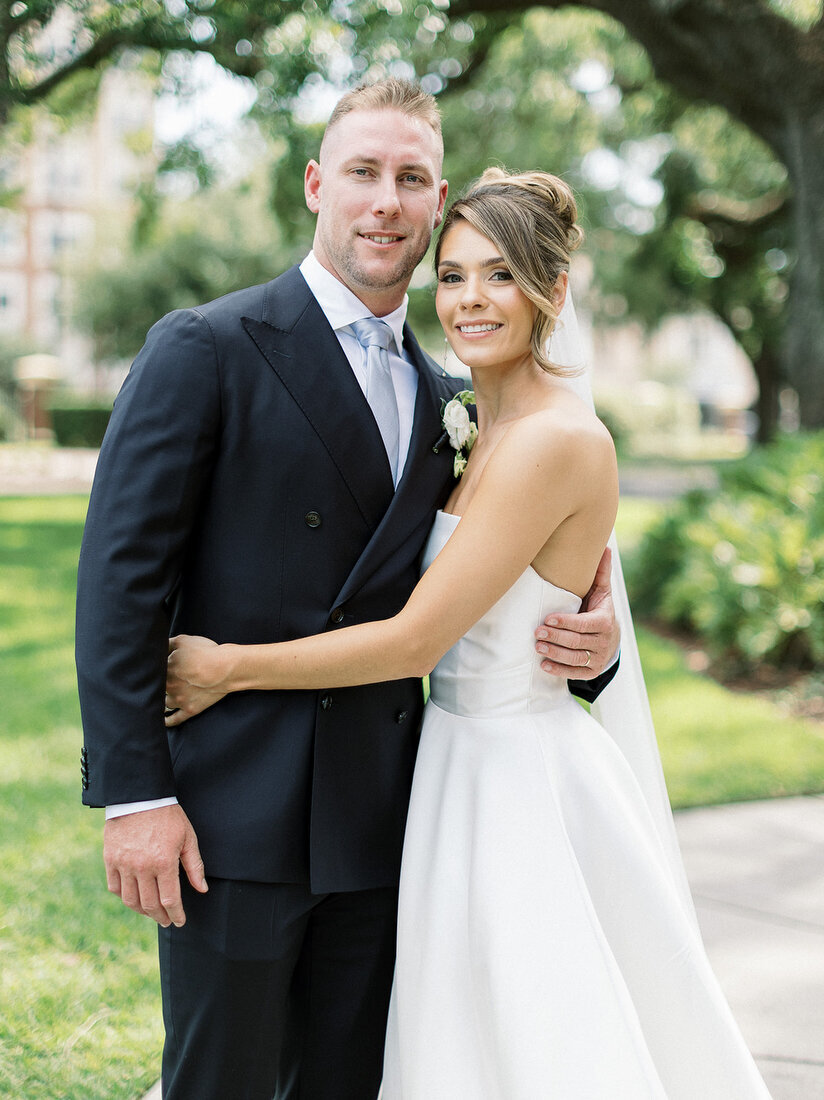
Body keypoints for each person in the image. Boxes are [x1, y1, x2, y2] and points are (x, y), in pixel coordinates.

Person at [165, 168, 771, 1098]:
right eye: (451, 275)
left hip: (515, 773)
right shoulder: (466, 421)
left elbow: (414, 640)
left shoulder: (557, 442)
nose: (470, 299)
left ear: (554, 291)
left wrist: (226, 669)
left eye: (500, 275)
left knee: (531, 1031)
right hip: (442, 761)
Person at [75, 80, 620, 1100]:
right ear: (317, 185)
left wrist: (593, 641)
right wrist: (136, 796)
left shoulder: (456, 396)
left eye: (410, 178)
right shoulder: (207, 347)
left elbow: (507, 581)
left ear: (437, 196)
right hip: (230, 822)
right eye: (363, 172)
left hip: (384, 824)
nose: (385, 201)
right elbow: (118, 582)